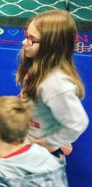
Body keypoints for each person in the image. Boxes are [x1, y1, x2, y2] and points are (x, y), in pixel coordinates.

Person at [15, 9, 89, 158]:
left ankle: (55, 153)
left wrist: (49, 142)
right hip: (35, 121)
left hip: (38, 136)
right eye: (25, 35)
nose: (24, 42)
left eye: (32, 39)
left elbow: (77, 123)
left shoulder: (56, 86)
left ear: (51, 46)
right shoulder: (38, 61)